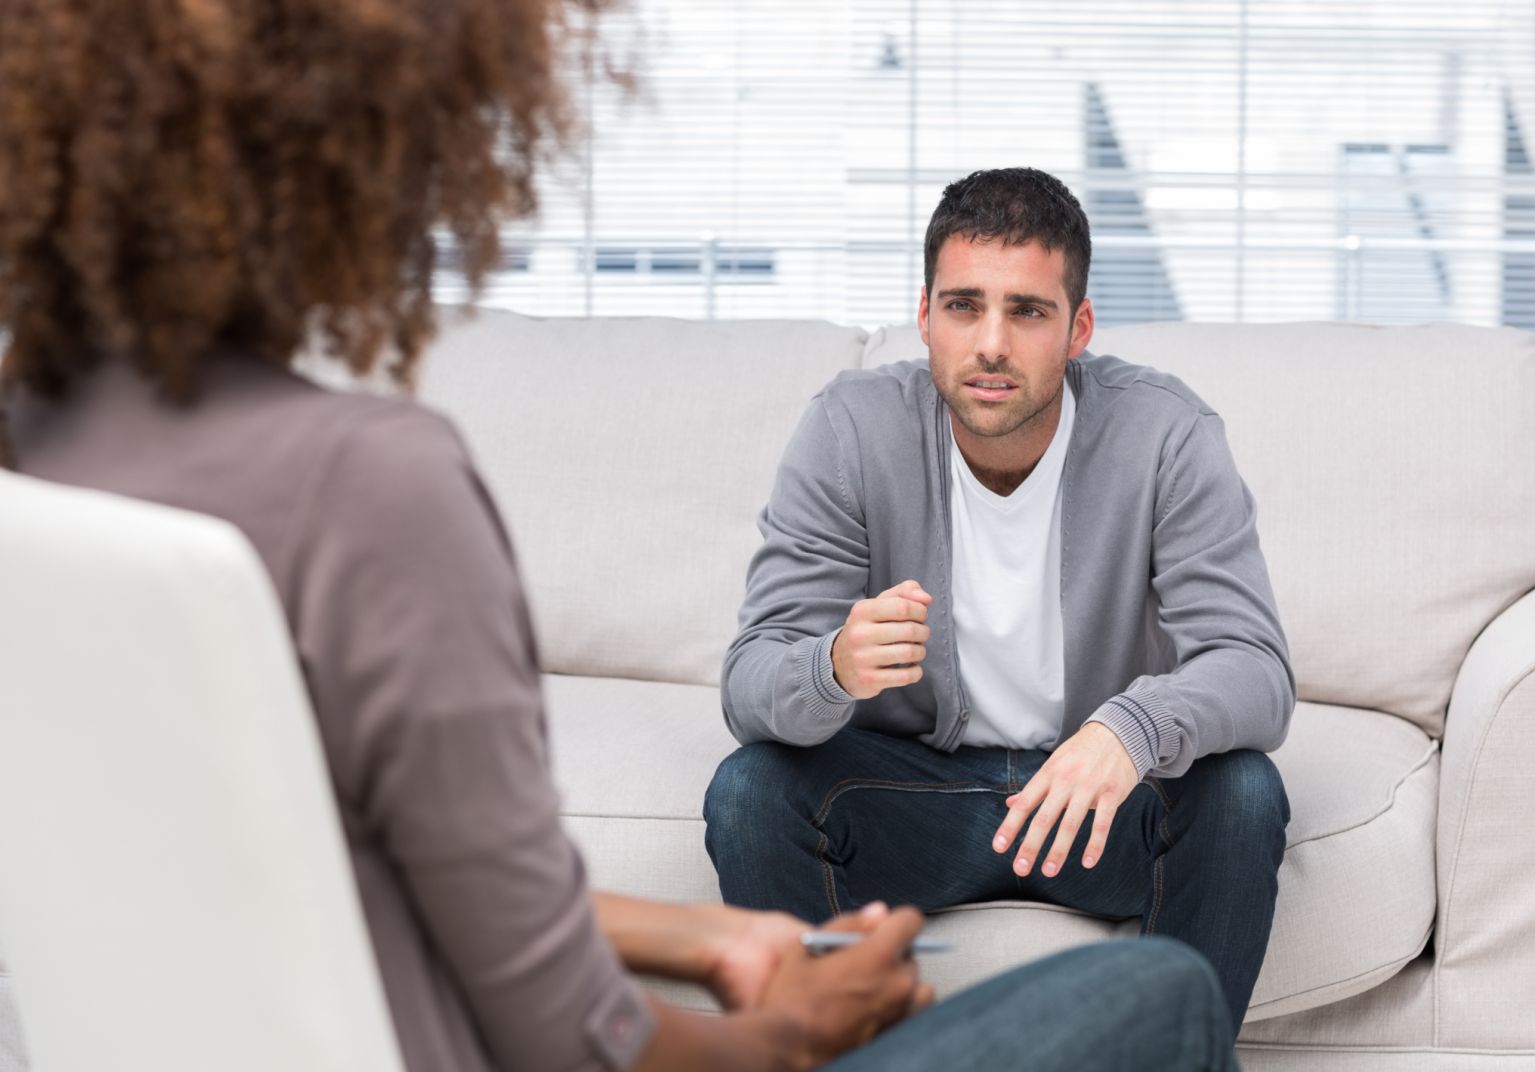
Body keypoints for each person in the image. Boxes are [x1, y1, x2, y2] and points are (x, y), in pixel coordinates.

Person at [0, 4, 1239, 1070]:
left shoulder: (34, 450)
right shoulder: (373, 487)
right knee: (1163, 995)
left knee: (1233, 807)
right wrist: (785, 1033)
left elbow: (401, 886)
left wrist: (704, 938)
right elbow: (582, 1037)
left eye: (1025, 312)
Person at [706, 166, 1296, 1035]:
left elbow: (1255, 669)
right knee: (751, 792)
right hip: (916, 801)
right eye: (963, 306)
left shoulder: (1166, 434)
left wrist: (1131, 730)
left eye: (1026, 311)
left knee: (1244, 793)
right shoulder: (851, 427)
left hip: (1092, 802)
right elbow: (751, 676)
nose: (990, 343)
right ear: (924, 316)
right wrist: (829, 668)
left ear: (1077, 328)